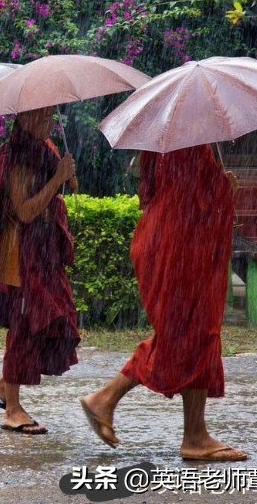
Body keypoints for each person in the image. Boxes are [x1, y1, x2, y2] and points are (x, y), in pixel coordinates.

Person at [79, 145, 247, 462]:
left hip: (163, 238)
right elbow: (194, 201)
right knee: (194, 333)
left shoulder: (162, 144)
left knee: (190, 333)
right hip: (181, 248)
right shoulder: (191, 144)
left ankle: (191, 431)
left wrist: (218, 186)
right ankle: (186, 432)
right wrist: (226, 189)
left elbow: (156, 192)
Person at [0, 107, 80, 433]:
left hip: (42, 254)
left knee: (56, 321)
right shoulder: (15, 158)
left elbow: (55, 194)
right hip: (19, 258)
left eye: (53, 117)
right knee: (25, 327)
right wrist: (56, 179)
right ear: (24, 119)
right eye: (43, 118)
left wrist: (65, 176)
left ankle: (1, 386)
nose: (49, 124)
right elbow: (24, 212)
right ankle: (12, 410)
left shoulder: (44, 150)